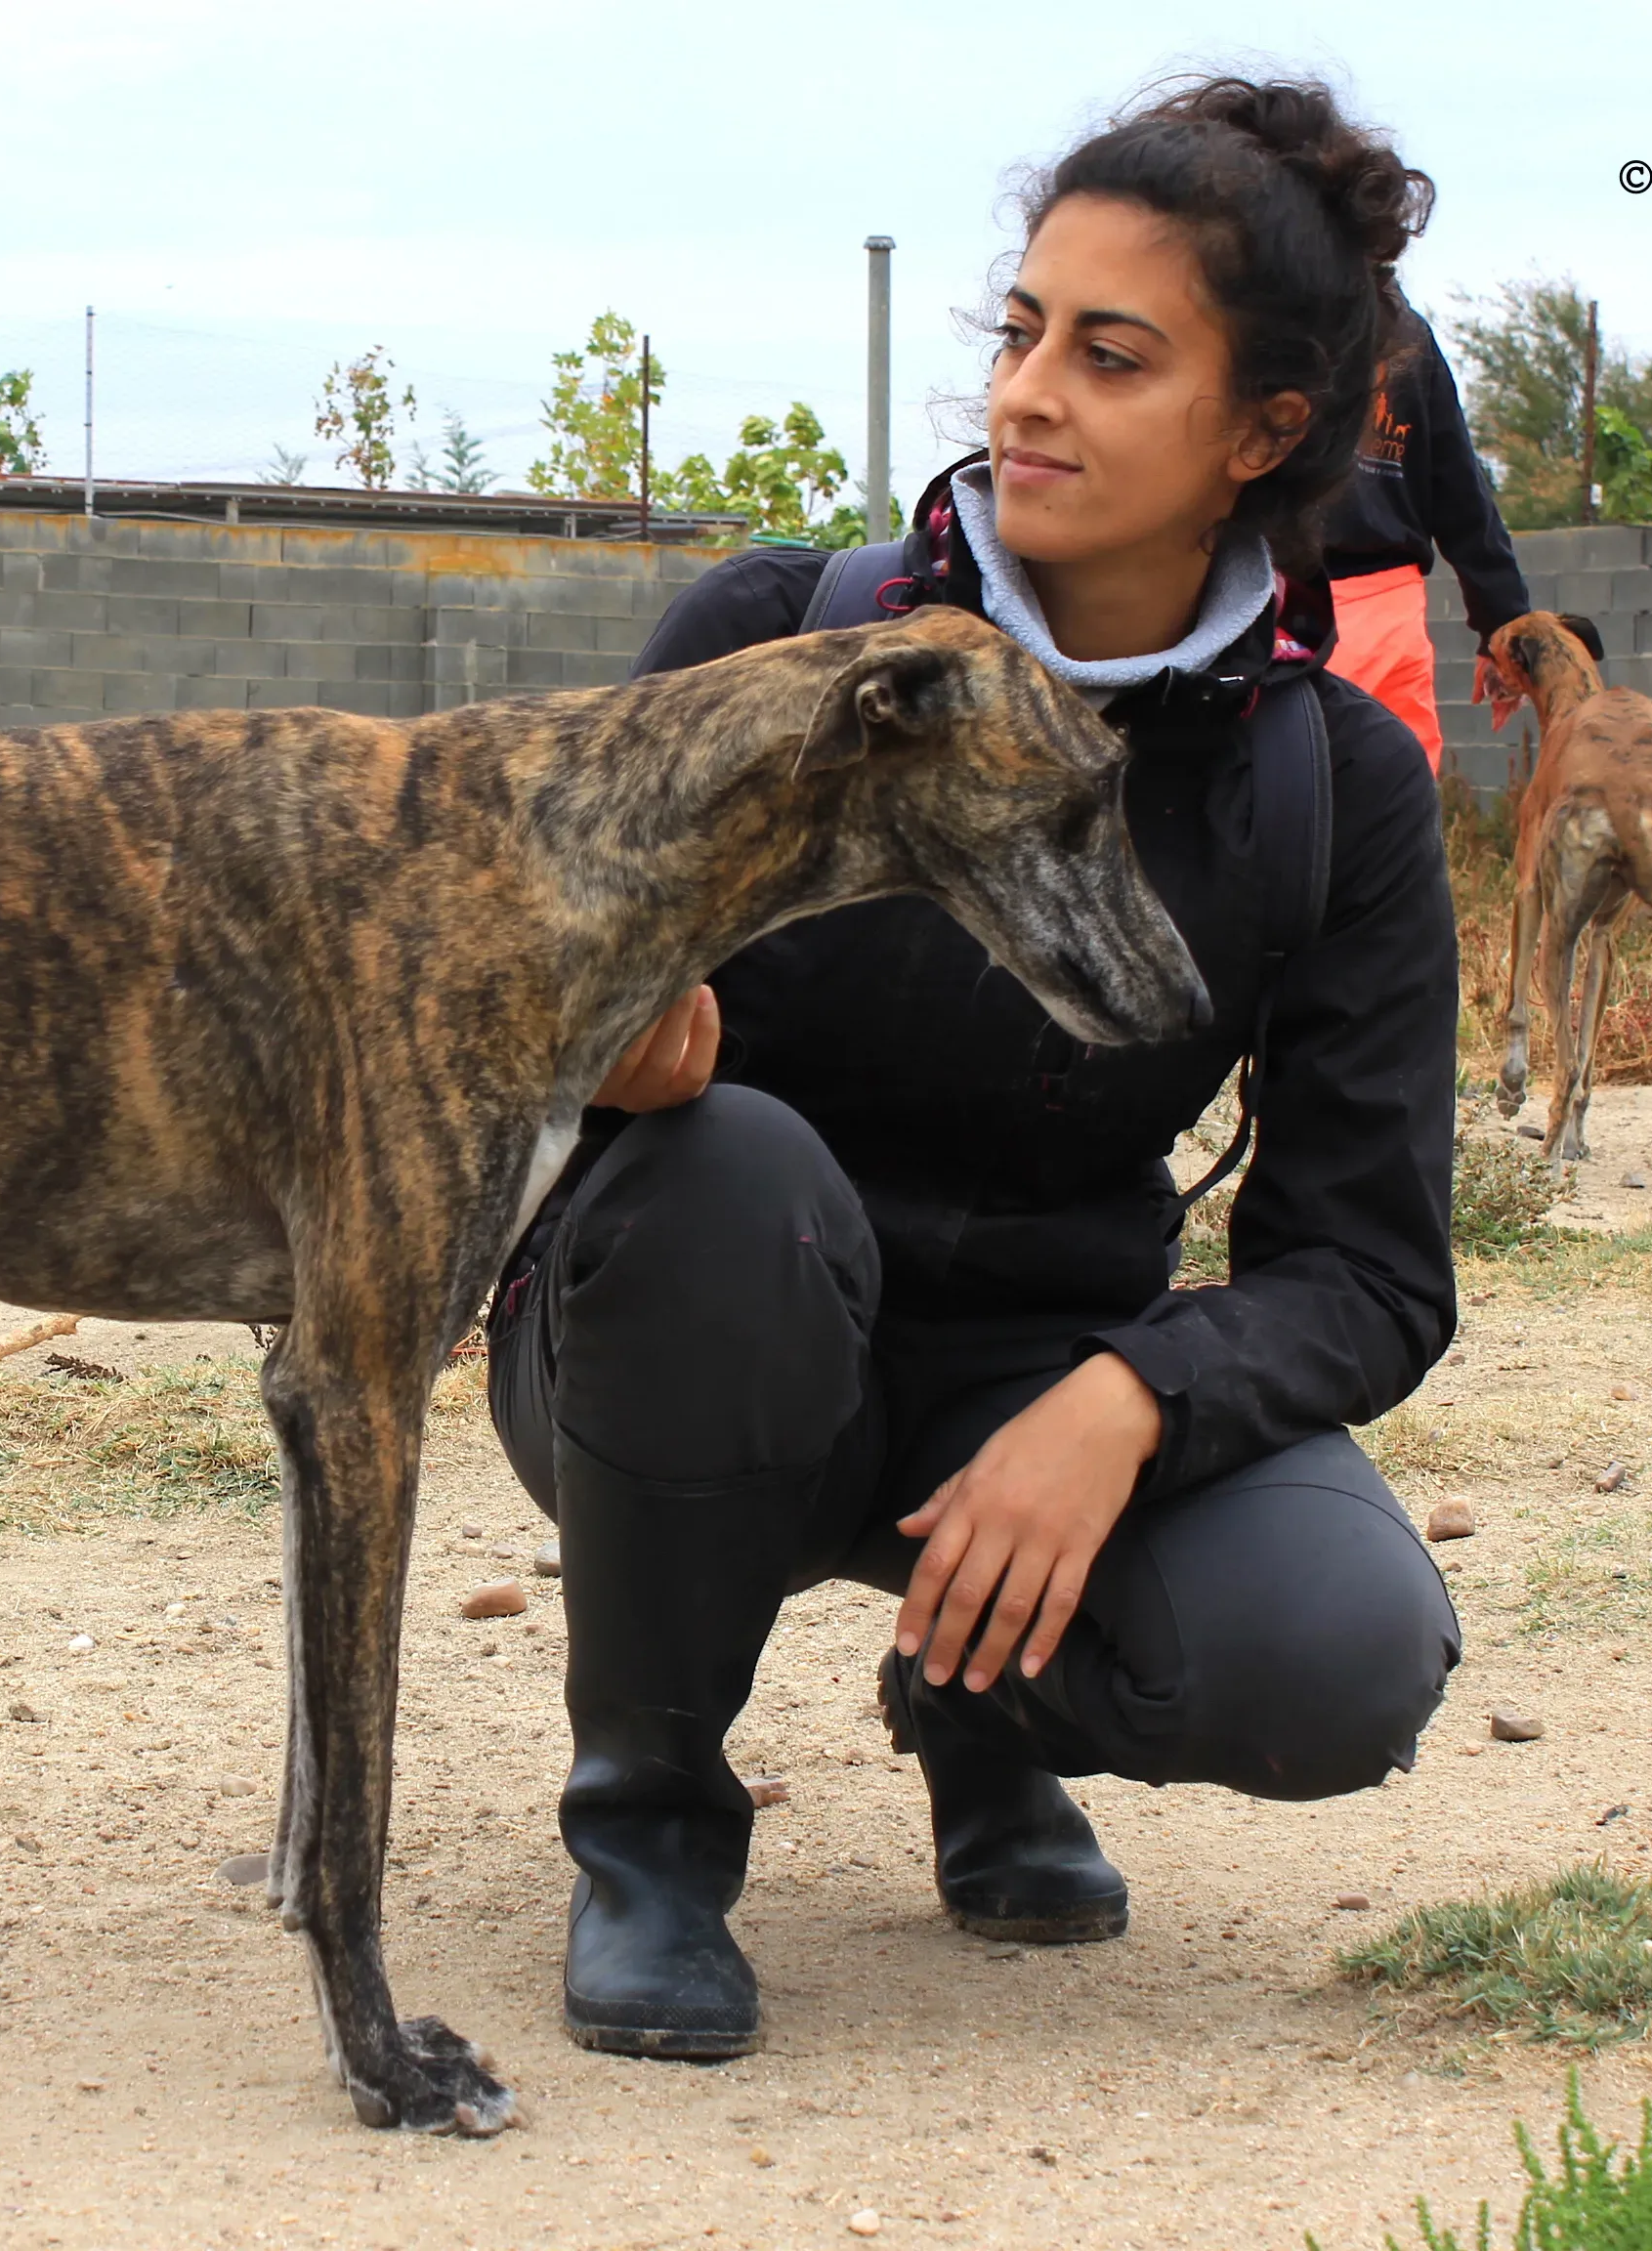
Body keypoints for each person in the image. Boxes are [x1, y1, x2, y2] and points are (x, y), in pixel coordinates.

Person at [486, 75, 1464, 2061]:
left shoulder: (1324, 784)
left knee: (1338, 1652)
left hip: (1029, 1389)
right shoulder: (779, 636)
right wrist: (602, 1063)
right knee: (736, 1172)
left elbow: (1370, 1268)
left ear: (1264, 433)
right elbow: (492, 1009)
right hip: (685, 1331)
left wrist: (1130, 1395)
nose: (1027, 394)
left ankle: (975, 1703)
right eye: (1020, 331)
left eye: (1113, 356)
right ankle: (654, 1826)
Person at [1317, 306, 1532, 773]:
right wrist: (1502, 624)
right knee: (1401, 804)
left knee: (1288, 812)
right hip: (1393, 616)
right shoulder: (1406, 329)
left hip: (1286, 613)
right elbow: (1461, 491)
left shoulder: (1271, 299)